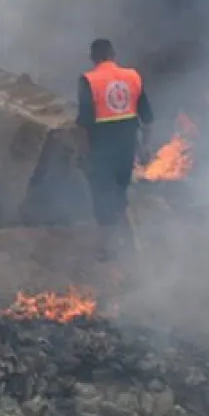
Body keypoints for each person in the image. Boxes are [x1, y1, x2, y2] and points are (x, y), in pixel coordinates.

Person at [76, 38, 152, 257]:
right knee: (119, 193)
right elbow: (147, 118)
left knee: (102, 197)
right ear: (114, 54)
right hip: (127, 148)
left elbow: (84, 123)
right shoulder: (132, 77)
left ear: (92, 57)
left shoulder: (88, 81)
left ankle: (107, 247)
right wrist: (145, 147)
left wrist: (83, 154)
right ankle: (131, 244)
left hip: (101, 149)